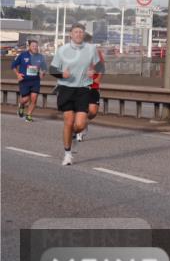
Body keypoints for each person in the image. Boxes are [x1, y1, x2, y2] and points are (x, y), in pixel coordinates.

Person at [49, 23, 104, 166]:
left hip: (83, 89)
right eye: (76, 32)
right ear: (70, 35)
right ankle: (67, 154)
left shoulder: (91, 49)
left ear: (84, 34)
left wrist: (94, 71)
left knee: (79, 124)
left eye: (81, 32)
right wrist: (62, 74)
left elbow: (100, 66)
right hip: (65, 89)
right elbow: (52, 69)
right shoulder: (62, 50)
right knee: (68, 121)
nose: (78, 34)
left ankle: (73, 134)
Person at [77, 33, 105, 142]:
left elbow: (101, 68)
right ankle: (79, 131)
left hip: (93, 86)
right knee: (82, 110)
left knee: (92, 112)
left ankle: (84, 122)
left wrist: (98, 79)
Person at [11, 39, 46, 122]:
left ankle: (29, 115)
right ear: (29, 46)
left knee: (34, 98)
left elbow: (44, 68)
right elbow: (13, 66)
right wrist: (18, 74)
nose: (35, 47)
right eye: (33, 46)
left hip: (35, 81)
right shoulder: (22, 55)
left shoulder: (40, 56)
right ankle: (21, 105)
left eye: (36, 46)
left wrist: (42, 73)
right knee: (25, 99)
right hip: (24, 80)